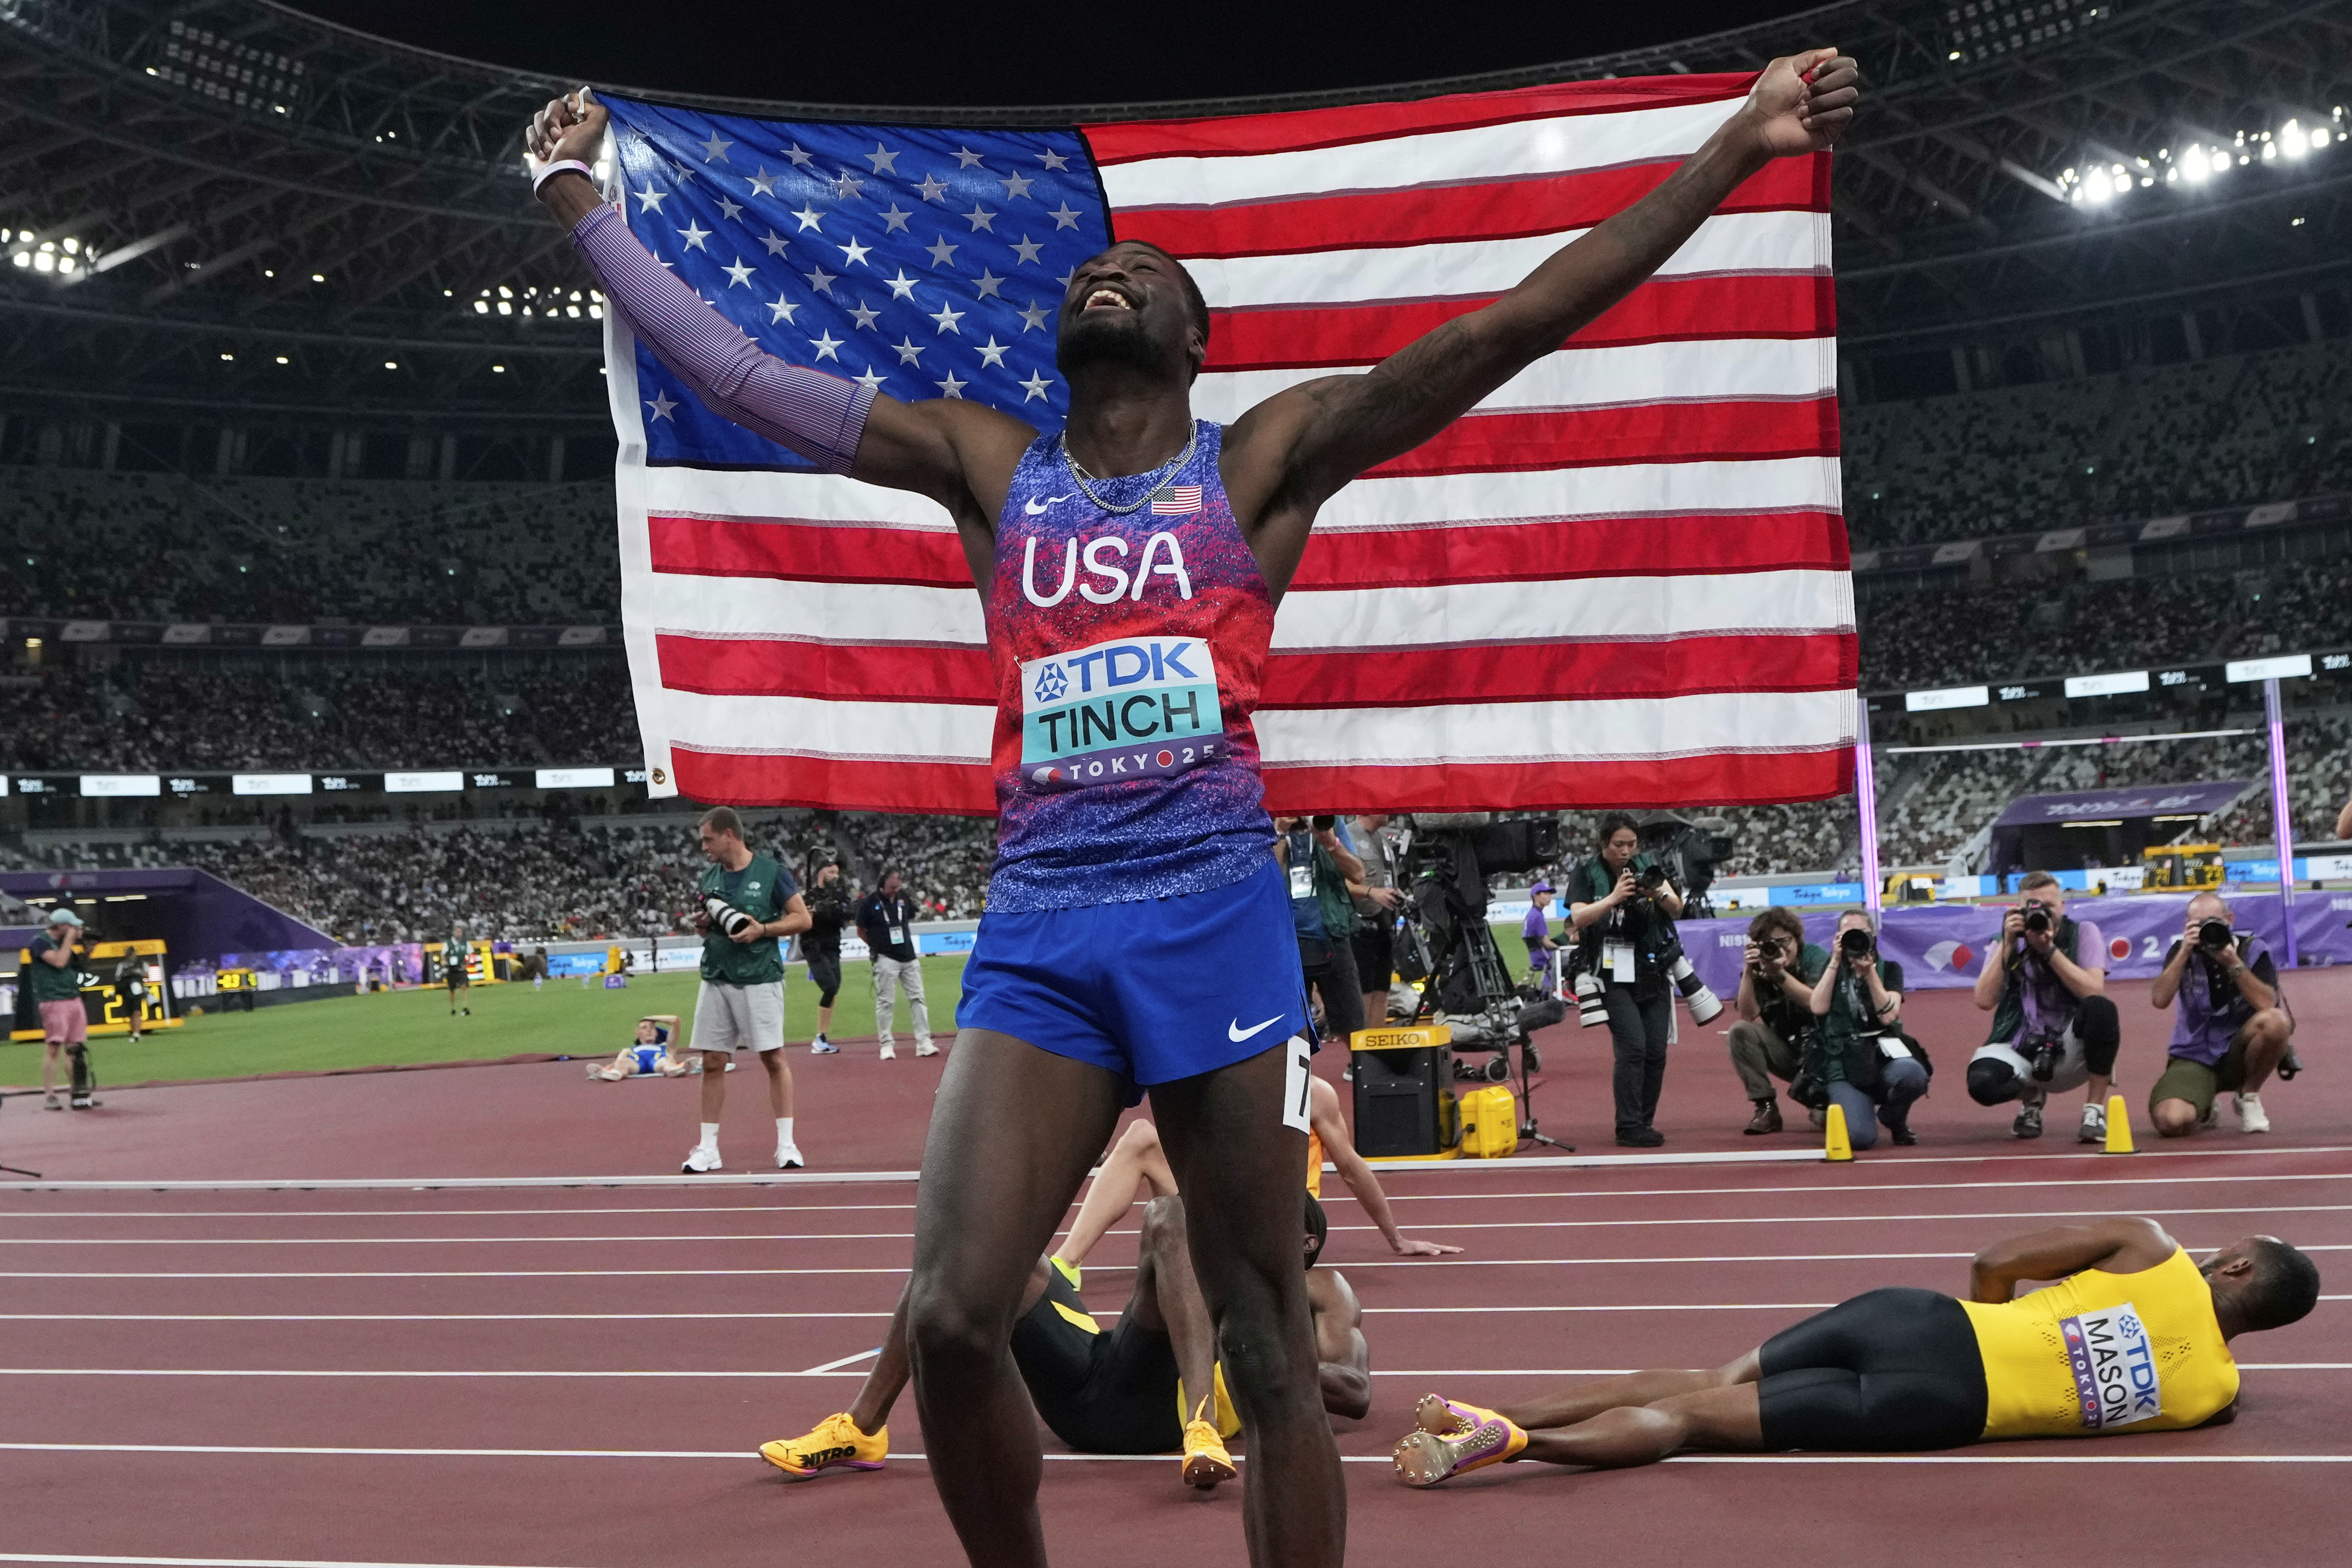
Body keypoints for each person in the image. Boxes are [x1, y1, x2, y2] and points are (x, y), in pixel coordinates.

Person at [529, 51, 1859, 1566]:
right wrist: (580, 202)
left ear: (1191, 339)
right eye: (1094, 269)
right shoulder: (985, 462)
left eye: (1143, 271)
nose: (1109, 272)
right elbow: (744, 376)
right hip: (1043, 931)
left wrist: (1738, 146)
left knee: (1271, 1346)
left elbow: (1512, 326)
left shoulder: (1264, 462)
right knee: (959, 1319)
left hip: (1218, 928)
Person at [1390, 1216, 2319, 1485]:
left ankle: (1500, 1418)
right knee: (1686, 1424)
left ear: (2234, 1264)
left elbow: (1994, 1261)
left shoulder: (2150, 1248)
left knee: (1703, 1383)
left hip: (1928, 1325)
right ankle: (1509, 1440)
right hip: (1947, 1410)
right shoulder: (2213, 1394)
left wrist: (1987, 1326)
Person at [761, 1192, 1367, 1492]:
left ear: (1306, 1242)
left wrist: (1248, 1349)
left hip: (1153, 1412)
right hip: (1099, 1374)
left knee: (1171, 1216)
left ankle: (1201, 1426)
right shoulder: (1218, 1267)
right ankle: (862, 1428)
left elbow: (1356, 1392)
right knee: (967, 1250)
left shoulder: (1324, 1293)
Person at [1051, 1076, 1464, 1277]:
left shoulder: (1312, 1092)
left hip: (1286, 1215)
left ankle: (1065, 1265)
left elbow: (1352, 1168)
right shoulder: (1220, 1081)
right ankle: (1065, 1266)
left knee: (1143, 1138)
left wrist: (1397, 1238)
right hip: (1227, 1202)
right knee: (1143, 1137)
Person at [687, 807, 813, 1172]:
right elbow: (712, 924)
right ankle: (708, 1148)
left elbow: (803, 918)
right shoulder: (709, 877)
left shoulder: (772, 874)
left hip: (760, 976)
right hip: (717, 976)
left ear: (730, 835)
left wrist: (764, 929)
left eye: (709, 839)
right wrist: (704, 926)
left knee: (773, 1059)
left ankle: (787, 1145)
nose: (704, 847)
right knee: (712, 1061)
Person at [1968, 871, 2120, 1142]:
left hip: (2071, 1040)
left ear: (2062, 906)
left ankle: (2094, 1110)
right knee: (1982, 1083)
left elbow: (2093, 990)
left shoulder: (2084, 932)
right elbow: (1983, 1000)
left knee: (2102, 1009)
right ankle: (2032, 1097)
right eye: (2033, 907)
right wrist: (2008, 944)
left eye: (2048, 907)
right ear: (2019, 910)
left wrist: (2049, 951)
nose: (2042, 913)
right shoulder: (2007, 939)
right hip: (2020, 1039)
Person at [1567, 813, 1685, 1147]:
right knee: (1633, 1046)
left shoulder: (1649, 865)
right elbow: (1578, 917)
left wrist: (1658, 893)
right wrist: (1614, 897)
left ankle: (1644, 1122)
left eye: (1632, 844)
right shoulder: (1587, 871)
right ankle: (1628, 1125)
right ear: (1604, 843)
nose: (1626, 851)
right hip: (1610, 972)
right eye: (1619, 845)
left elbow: (1677, 909)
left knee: (1656, 1051)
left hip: (1652, 966)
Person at [2147, 893, 2294, 1137]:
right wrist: (2184, 952)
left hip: (2241, 1049)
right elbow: (2159, 1000)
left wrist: (2233, 963)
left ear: (2229, 919)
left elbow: (2268, 1003)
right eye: (2198, 924)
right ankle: (2202, 1106)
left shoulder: (2252, 949)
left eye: (2213, 922)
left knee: (2276, 1022)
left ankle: (2249, 1096)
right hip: (2194, 1054)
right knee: (2171, 1122)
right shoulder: (2181, 952)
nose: (2207, 930)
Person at [1802, 909, 1928, 1149]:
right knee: (1860, 1139)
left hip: (1882, 1054)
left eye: (1861, 934)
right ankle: (1851, 1105)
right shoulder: (1827, 966)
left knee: (1913, 1076)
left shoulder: (1889, 969)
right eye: (1848, 935)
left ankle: (1894, 1117)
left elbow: (1889, 1014)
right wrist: (1836, 961)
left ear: (1874, 935)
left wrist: (1870, 972)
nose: (1855, 940)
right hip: (1844, 1060)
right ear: (1837, 938)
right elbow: (1817, 1007)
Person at [1727, 907, 1827, 1135]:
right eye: (1769, 944)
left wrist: (1779, 975)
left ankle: (1821, 1100)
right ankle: (1766, 1107)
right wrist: (1749, 970)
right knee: (1741, 1031)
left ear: (1797, 939)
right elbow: (1747, 1014)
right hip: (1787, 1050)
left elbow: (1815, 1002)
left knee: (1827, 1121)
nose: (1779, 949)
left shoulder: (1814, 957)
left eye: (1784, 941)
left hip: (1822, 1055)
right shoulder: (1760, 965)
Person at [1281, 817, 1367, 1044]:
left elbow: (1358, 874)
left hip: (1331, 931)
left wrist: (1330, 842)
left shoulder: (1330, 821)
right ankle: (1300, 1079)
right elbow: (1267, 877)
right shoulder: (1270, 822)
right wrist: (1279, 832)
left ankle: (1361, 1072)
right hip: (1286, 940)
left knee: (1352, 1020)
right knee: (1289, 1025)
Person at [854, 870, 934, 1061]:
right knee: (886, 1002)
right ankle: (886, 1044)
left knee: (918, 999)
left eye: (898, 884)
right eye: (893, 883)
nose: (896, 887)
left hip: (909, 956)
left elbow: (911, 915)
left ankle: (924, 1042)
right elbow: (860, 930)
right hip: (886, 959)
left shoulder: (903, 898)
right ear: (884, 882)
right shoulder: (870, 903)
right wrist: (877, 948)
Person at [1347, 815, 1411, 1027]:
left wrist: (1394, 892)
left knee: (1381, 986)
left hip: (1385, 920)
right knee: (1363, 988)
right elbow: (1339, 882)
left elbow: (1384, 876)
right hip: (1360, 922)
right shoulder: (1348, 836)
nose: (1387, 811)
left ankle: (1376, 1045)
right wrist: (1371, 892)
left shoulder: (1383, 838)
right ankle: (1361, 1053)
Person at [27, 909, 90, 1111]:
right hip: (54, 1000)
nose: (74, 929)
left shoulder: (66, 945)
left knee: (75, 1049)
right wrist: (70, 941)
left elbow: (79, 969)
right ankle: (50, 1095)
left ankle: (78, 1092)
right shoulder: (40, 942)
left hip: (72, 997)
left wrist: (89, 949)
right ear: (61, 926)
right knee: (54, 1047)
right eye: (70, 926)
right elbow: (60, 962)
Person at [801, 860, 853, 1055]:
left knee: (834, 989)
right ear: (821, 874)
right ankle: (819, 1038)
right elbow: (804, 921)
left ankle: (822, 1036)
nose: (836, 876)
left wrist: (827, 911)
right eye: (831, 872)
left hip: (833, 947)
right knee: (830, 987)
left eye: (837, 872)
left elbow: (849, 913)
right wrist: (822, 912)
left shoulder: (839, 894)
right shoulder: (809, 896)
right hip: (814, 947)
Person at [590, 1014, 692, 1081]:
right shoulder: (630, 1050)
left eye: (652, 1028)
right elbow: (617, 1062)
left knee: (667, 1059)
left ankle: (673, 1070)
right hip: (636, 1064)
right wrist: (603, 1070)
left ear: (656, 1033)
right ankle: (616, 1074)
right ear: (637, 1034)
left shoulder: (667, 1046)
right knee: (622, 1060)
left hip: (658, 1062)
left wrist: (651, 1018)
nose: (649, 1031)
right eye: (644, 1028)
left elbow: (675, 1021)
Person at [1520, 882, 1560, 992]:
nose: (1550, 897)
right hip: (1543, 956)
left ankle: (1547, 990)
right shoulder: (1537, 916)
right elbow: (1547, 943)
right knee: (1568, 958)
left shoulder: (1532, 914)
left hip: (1536, 955)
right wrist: (1560, 947)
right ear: (1536, 896)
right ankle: (1549, 992)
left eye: (1550, 894)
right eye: (1546, 893)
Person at [111, 950, 149, 1043]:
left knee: (137, 1012)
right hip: (127, 990)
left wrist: (137, 972)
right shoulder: (122, 965)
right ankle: (134, 1032)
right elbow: (118, 977)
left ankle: (137, 1033)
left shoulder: (142, 964)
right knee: (130, 1013)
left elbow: (147, 975)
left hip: (137, 989)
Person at [443, 921, 471, 1017]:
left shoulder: (465, 943)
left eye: (461, 932)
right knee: (452, 990)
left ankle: (465, 1007)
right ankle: (453, 1008)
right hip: (452, 969)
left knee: (464, 987)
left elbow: (470, 954)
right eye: (458, 932)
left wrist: (466, 964)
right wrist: (445, 963)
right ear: (454, 933)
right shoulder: (448, 943)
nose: (459, 934)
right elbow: (443, 954)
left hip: (461, 968)